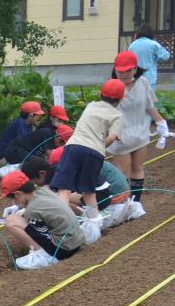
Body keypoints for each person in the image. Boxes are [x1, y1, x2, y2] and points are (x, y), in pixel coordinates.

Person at [52, 79, 125, 217]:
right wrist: (99, 144)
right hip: (94, 152)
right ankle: (94, 223)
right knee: (89, 191)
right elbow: (112, 137)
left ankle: (63, 220)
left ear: (99, 94)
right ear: (121, 99)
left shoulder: (91, 105)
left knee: (64, 187)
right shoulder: (118, 116)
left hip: (74, 146)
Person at [111, 49, 169, 215]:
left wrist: (160, 122)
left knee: (137, 168)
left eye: (128, 70)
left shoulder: (143, 83)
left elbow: (149, 106)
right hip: (121, 135)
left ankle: (135, 203)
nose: (123, 74)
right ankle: (121, 205)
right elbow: (106, 111)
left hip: (141, 132)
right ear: (115, 69)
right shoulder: (113, 86)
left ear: (135, 69)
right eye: (120, 71)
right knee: (123, 173)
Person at [0, 169, 84, 270]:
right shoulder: (45, 191)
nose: (13, 202)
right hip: (77, 240)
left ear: (18, 194)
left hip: (63, 250)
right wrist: (20, 208)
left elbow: (39, 234)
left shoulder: (32, 210)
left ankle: (43, 255)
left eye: (13, 199)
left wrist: (24, 216)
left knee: (11, 221)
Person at [0, 101, 53, 172]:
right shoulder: (20, 124)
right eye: (38, 115)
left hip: (13, 154)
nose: (39, 117)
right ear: (31, 115)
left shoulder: (28, 124)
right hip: (5, 158)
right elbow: (24, 145)